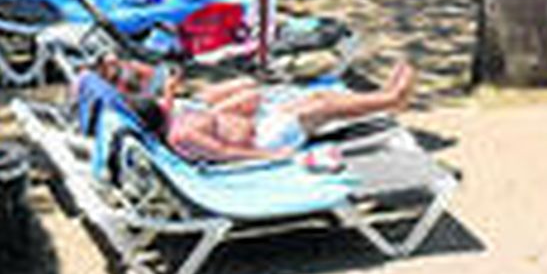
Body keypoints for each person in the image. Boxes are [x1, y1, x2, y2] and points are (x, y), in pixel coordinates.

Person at [131, 60, 416, 163]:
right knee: (321, 108)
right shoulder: (182, 135)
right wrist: (271, 156)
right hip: (265, 141)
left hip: (260, 124)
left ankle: (383, 96)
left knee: (317, 96)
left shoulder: (168, 120)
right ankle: (393, 100)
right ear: (158, 115)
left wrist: (170, 86)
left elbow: (166, 103)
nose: (165, 102)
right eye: (161, 104)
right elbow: (225, 153)